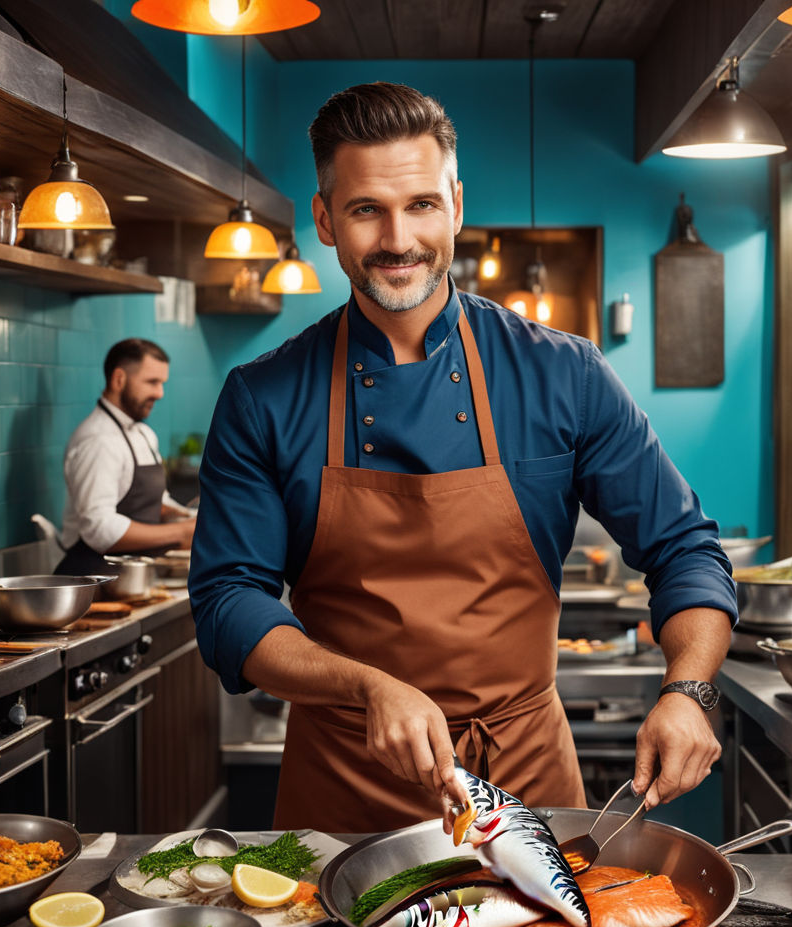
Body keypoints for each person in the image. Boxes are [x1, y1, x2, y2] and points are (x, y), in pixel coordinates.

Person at [189, 82, 738, 834]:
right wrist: (366, 687)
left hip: (528, 784)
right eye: (364, 210)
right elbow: (228, 603)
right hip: (346, 787)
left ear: (455, 204)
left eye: (419, 204)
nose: (397, 238)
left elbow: (685, 550)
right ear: (323, 219)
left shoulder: (564, 373)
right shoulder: (264, 396)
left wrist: (689, 692)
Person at [56, 338, 196, 576]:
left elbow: (149, 501)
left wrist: (187, 515)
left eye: (162, 383)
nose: (160, 393)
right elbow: (98, 528)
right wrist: (181, 532)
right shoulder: (98, 440)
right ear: (119, 379)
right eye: (152, 382)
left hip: (131, 577)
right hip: (93, 581)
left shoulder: (143, 433)